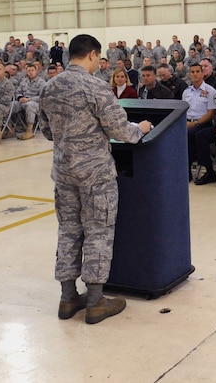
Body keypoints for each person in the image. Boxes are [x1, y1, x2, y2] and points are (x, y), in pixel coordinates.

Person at [39, 34, 152, 324]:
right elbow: (121, 130)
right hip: (95, 174)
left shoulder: (50, 87)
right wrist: (141, 127)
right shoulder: (96, 87)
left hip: (64, 172)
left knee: (68, 230)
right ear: (91, 54)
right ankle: (95, 300)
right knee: (98, 231)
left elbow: (47, 131)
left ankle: (67, 299)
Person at [181, 64, 216, 168]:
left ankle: (206, 169)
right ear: (189, 75)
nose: (195, 74)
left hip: (203, 123)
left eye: (197, 71)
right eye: (192, 72)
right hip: (187, 123)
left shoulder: (211, 91)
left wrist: (195, 123)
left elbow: (211, 113)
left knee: (191, 135)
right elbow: (183, 111)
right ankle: (184, 170)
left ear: (202, 74)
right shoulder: (186, 92)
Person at [15, 63, 46, 140]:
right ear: (26, 72)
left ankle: (29, 130)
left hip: (36, 103)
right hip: (23, 101)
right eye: (29, 70)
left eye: (32, 70)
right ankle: (9, 127)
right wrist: (20, 98)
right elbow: (18, 91)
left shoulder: (41, 82)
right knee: (12, 105)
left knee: (30, 105)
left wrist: (29, 99)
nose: (31, 72)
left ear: (36, 71)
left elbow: (43, 97)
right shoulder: (23, 81)